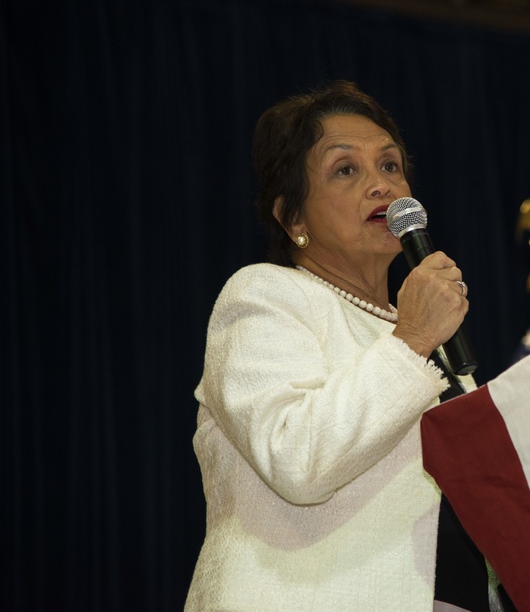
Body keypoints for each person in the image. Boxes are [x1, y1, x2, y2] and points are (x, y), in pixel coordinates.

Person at [185, 81, 497, 611]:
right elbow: (296, 460)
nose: (382, 186)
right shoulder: (264, 295)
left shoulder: (426, 336)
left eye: (391, 166)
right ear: (293, 218)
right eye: (346, 170)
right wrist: (414, 338)